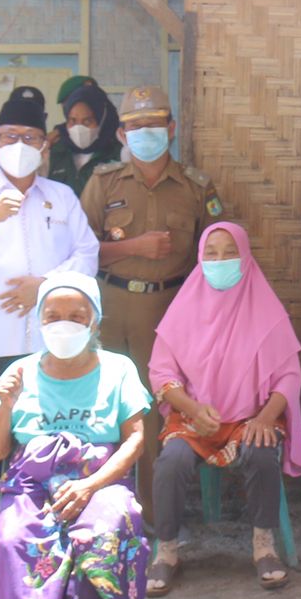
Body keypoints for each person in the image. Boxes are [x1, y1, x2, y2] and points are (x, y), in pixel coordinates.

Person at [0, 271, 150, 599]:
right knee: (11, 538)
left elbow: (134, 440)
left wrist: (91, 486)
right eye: (53, 315)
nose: (65, 324)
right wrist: (4, 406)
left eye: (77, 315)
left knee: (105, 532)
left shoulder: (118, 368)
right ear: (38, 320)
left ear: (95, 321)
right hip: (30, 484)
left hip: (99, 480)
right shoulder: (18, 372)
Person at [0, 86, 99, 525]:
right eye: (9, 137)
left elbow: (87, 254)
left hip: (55, 345)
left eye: (30, 138)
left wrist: (45, 286)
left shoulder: (61, 196)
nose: (19, 147)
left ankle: (51, 538)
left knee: (55, 441)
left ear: (45, 144)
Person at [78, 85, 220, 510]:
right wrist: (132, 248)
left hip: (169, 312)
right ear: (121, 135)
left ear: (171, 129)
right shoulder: (104, 182)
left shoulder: (195, 186)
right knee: (103, 406)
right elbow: (79, 249)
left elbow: (217, 253)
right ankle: (101, 507)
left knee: (156, 410)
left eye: (154, 124)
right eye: (134, 126)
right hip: (110, 306)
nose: (144, 132)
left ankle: (156, 515)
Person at [146, 222, 301, 595]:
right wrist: (191, 408)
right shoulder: (182, 309)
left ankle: (263, 545)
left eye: (229, 252)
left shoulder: (267, 309)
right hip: (194, 418)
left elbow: (289, 376)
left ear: (246, 257)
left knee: (262, 453)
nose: (219, 260)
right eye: (211, 253)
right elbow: (161, 372)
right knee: (171, 462)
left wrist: (266, 416)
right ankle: (166, 551)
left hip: (252, 417)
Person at [47, 78, 122, 195]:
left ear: (102, 119)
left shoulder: (119, 153)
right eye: (72, 121)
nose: (79, 128)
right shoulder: (56, 150)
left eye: (87, 122)